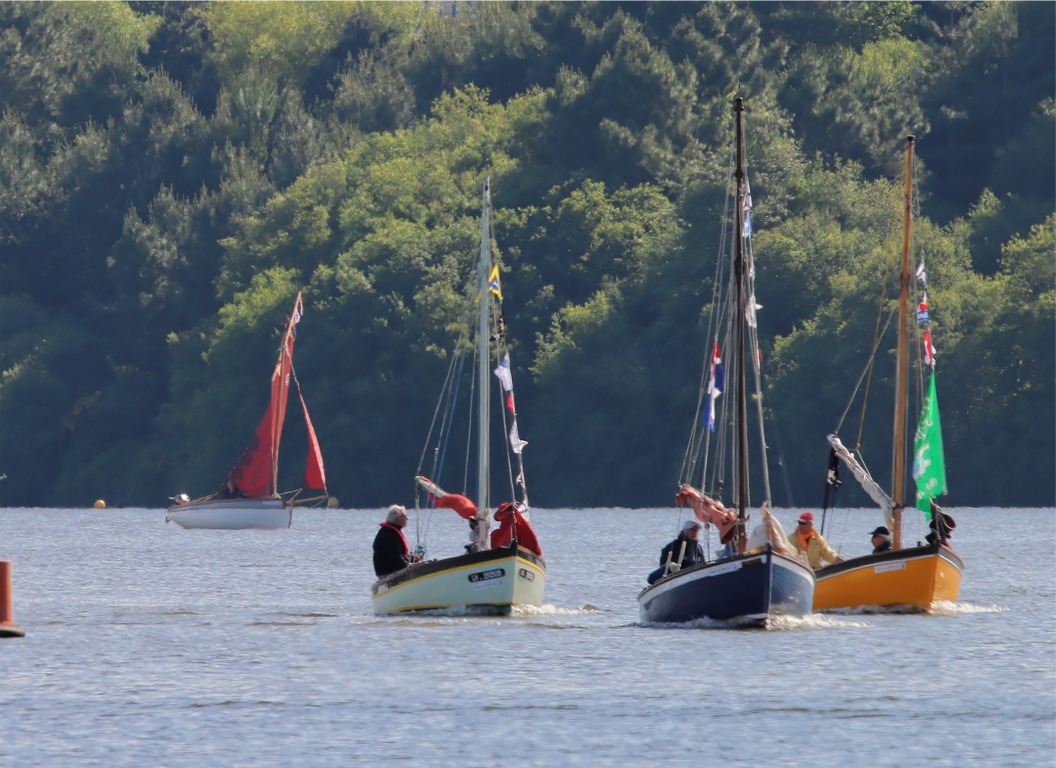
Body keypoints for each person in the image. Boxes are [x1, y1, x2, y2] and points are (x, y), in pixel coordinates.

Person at [647, 520, 706, 584]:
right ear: (685, 531)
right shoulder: (674, 546)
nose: (695, 532)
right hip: (676, 579)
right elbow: (666, 566)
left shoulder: (699, 548)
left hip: (695, 579)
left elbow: (703, 564)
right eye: (692, 529)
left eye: (696, 530)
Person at [373, 504, 420, 577]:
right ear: (397, 519)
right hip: (388, 574)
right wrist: (410, 567)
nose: (407, 519)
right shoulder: (389, 535)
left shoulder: (391, 532)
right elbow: (396, 559)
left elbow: (398, 556)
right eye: (405, 516)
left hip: (393, 570)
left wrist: (413, 558)